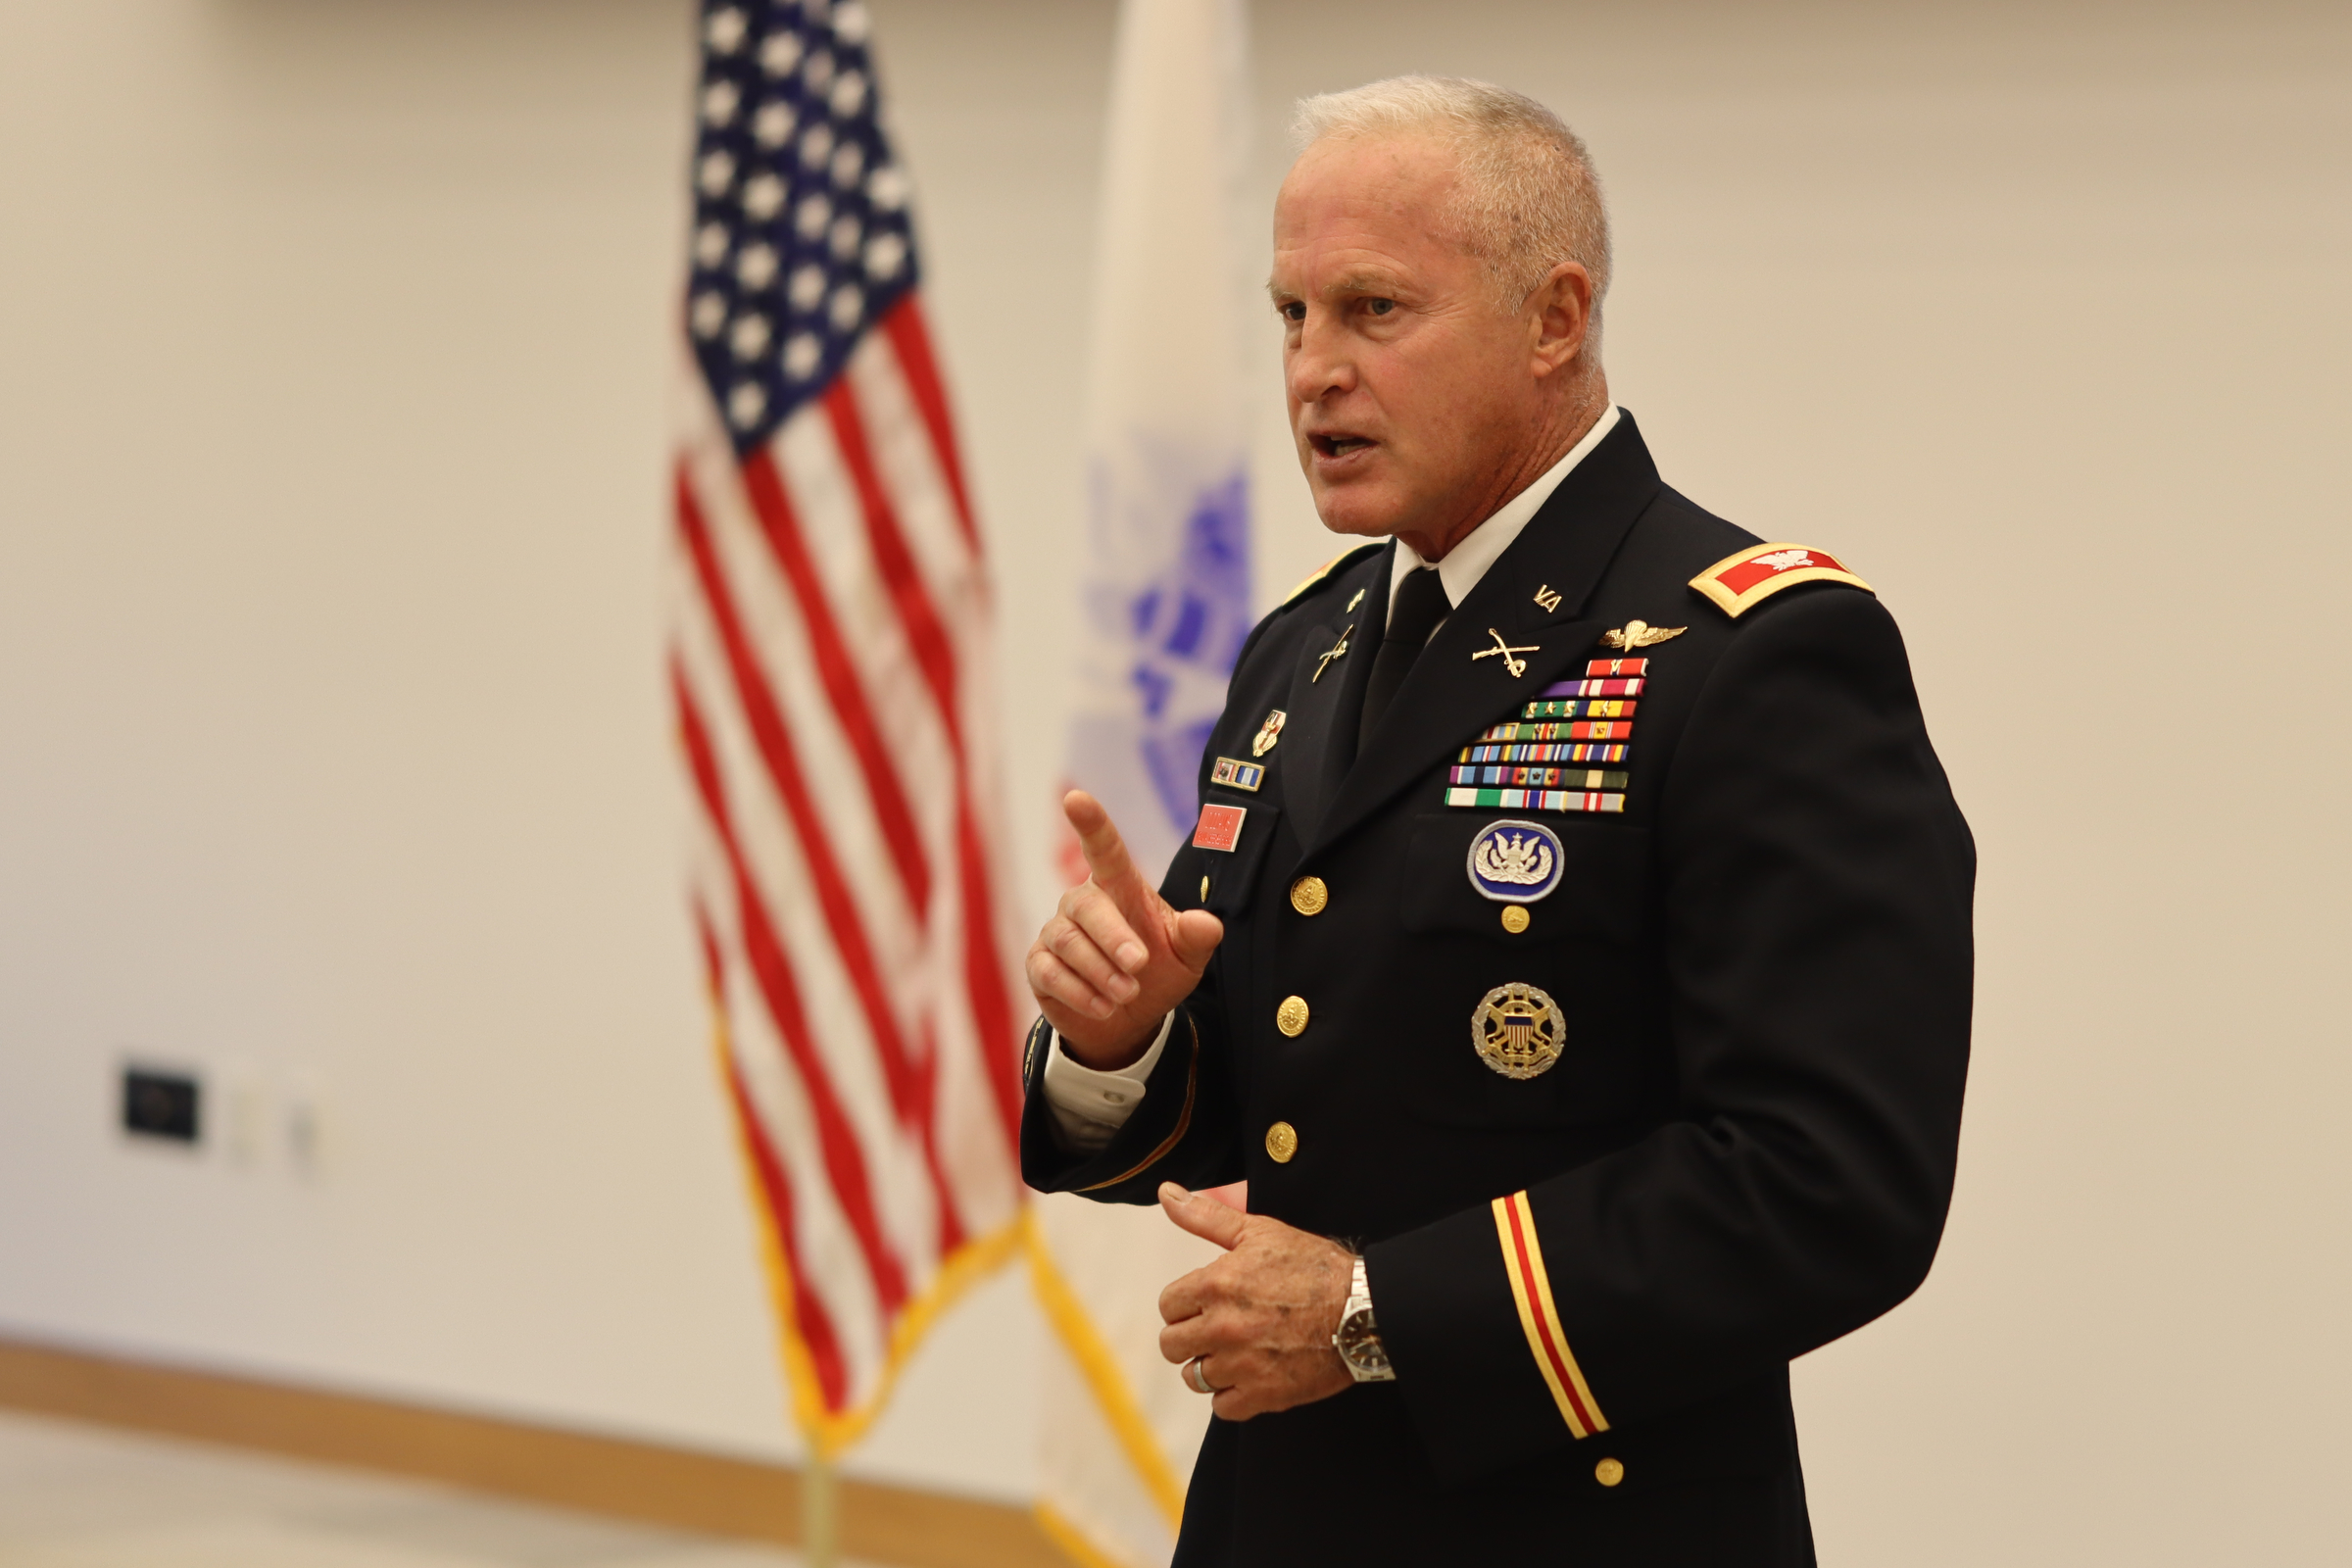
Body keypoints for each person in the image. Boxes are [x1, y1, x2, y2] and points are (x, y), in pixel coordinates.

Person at [1019, 74, 1973, 1567]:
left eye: (1374, 311)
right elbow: (1289, 1087)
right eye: (1290, 315)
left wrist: (1369, 1316)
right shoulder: (1302, 650)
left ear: (1554, 318)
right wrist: (1123, 1039)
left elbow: (1830, 1182)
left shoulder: (1754, 653)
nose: (1313, 373)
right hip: (1283, 1512)